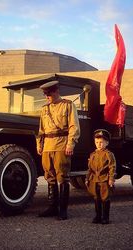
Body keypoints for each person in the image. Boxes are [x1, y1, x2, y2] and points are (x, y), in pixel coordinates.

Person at [36, 80, 80, 220]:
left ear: (56, 91)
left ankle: (63, 210)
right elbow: (41, 130)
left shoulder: (67, 105)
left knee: (62, 177)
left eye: (48, 93)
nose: (46, 96)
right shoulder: (44, 109)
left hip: (62, 145)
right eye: (45, 94)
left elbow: (74, 126)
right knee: (50, 177)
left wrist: (70, 144)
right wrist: (39, 144)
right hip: (47, 146)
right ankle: (52, 207)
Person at [85, 129, 116, 224]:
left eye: (101, 142)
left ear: (107, 143)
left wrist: (111, 179)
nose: (99, 144)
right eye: (97, 142)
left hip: (104, 179)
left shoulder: (109, 154)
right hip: (94, 180)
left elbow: (112, 167)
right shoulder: (93, 155)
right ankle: (98, 216)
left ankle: (105, 217)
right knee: (96, 197)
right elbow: (89, 168)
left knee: (105, 198)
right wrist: (87, 178)